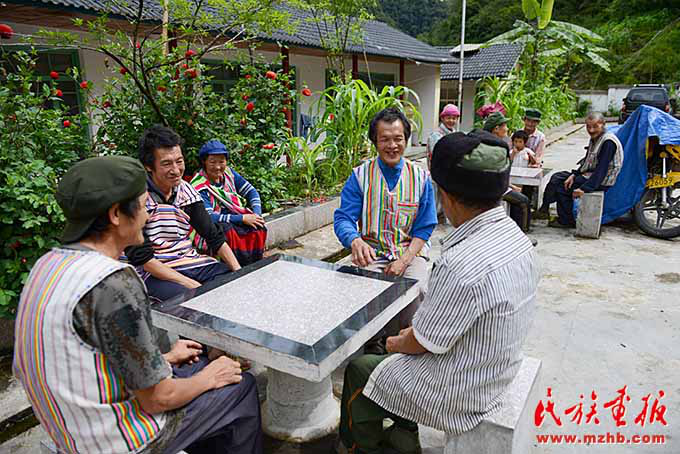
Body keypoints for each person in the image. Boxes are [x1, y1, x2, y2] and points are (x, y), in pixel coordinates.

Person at [13, 156, 262, 454]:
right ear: (116, 214)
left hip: (69, 428)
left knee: (199, 365)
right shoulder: (113, 282)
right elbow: (158, 399)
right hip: (118, 441)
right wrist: (211, 377)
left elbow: (85, 358)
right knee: (239, 387)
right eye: (143, 207)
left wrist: (164, 359)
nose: (146, 217)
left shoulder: (46, 265)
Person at [337, 132, 539, 454]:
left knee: (362, 369)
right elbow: (344, 218)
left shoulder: (461, 262)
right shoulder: (517, 238)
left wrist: (392, 343)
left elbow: (422, 342)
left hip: (464, 390)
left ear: (447, 196)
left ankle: (362, 447)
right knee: (396, 356)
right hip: (499, 365)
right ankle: (404, 436)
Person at [334, 107, 437, 347]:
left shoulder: (421, 178)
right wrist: (355, 240)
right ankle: (371, 343)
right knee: (360, 289)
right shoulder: (360, 176)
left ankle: (409, 345)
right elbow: (343, 218)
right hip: (372, 251)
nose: (392, 145)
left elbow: (424, 227)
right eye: (385, 139)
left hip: (410, 252)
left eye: (398, 139)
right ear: (375, 142)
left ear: (406, 140)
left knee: (416, 290)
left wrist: (404, 259)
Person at [124, 125, 241, 302]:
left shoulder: (186, 191)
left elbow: (213, 235)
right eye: (166, 164)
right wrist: (194, 286)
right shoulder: (137, 198)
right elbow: (143, 259)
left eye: (179, 161)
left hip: (189, 261)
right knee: (188, 300)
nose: (176, 170)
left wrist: (238, 273)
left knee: (229, 283)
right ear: (148, 166)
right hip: (152, 270)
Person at [536, 111, 623, 227]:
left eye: (595, 126)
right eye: (588, 127)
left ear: (603, 124)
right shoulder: (596, 138)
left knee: (562, 188)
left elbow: (601, 170)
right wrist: (574, 175)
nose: (591, 130)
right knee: (557, 177)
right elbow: (587, 161)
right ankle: (545, 208)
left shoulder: (608, 142)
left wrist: (584, 188)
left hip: (601, 180)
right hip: (589, 174)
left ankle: (566, 221)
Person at [191, 140, 267, 266]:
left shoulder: (229, 174)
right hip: (210, 225)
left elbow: (251, 192)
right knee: (227, 232)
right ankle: (235, 266)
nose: (218, 167)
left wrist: (256, 214)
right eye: (212, 162)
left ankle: (255, 261)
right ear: (204, 162)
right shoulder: (198, 185)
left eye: (221, 161)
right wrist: (242, 218)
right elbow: (208, 217)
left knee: (258, 226)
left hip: (232, 216)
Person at [480, 113, 533, 234]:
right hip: (493, 187)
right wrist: (510, 186)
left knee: (516, 199)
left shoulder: (487, 142)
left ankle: (514, 232)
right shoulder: (497, 146)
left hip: (493, 184)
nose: (507, 129)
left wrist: (511, 186)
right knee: (524, 202)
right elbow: (496, 174)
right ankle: (522, 235)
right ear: (496, 129)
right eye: (505, 126)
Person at [426, 104, 460, 218]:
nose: (451, 120)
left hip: (450, 174)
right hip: (438, 174)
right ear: (442, 118)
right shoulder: (436, 135)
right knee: (436, 203)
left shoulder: (455, 134)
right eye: (448, 117)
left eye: (454, 118)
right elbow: (438, 155)